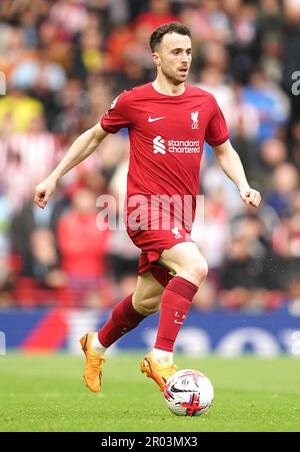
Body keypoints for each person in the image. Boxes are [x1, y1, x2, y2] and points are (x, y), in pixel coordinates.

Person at [34, 22, 261, 394]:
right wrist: (54, 175)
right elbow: (93, 137)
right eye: (176, 52)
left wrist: (243, 184)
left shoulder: (205, 103)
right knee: (195, 265)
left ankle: (97, 343)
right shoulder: (133, 101)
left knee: (146, 301)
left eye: (188, 51)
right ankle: (161, 358)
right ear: (156, 57)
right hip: (143, 210)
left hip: (181, 215)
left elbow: (224, 149)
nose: (184, 58)